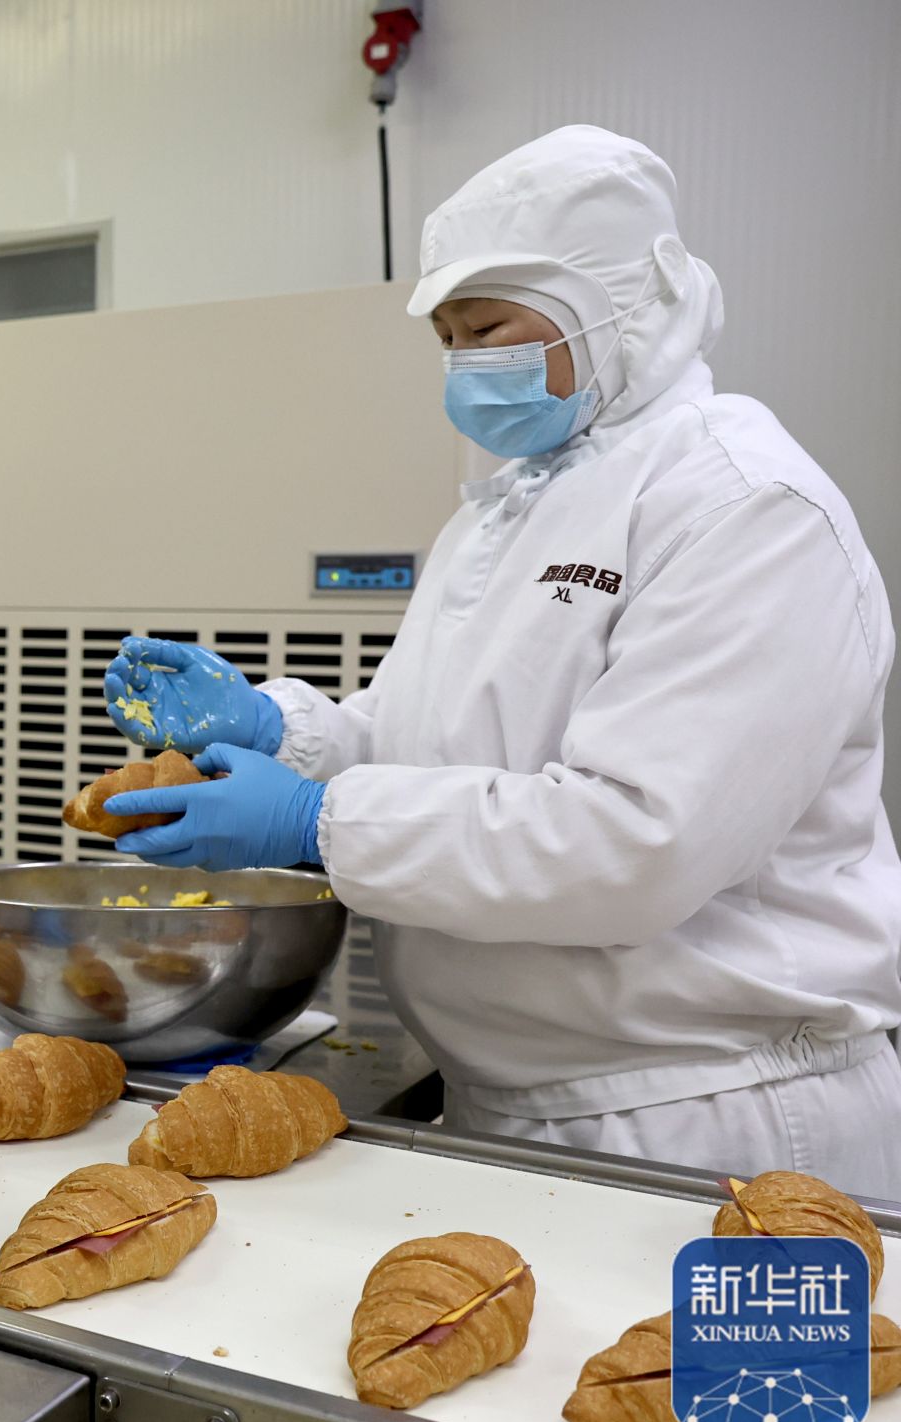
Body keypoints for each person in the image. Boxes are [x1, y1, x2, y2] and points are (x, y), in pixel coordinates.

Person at [99, 126, 901, 1197]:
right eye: (446, 336)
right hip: (512, 1103)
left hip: (712, 1118)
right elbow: (428, 745)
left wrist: (314, 821)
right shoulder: (508, 507)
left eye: (487, 328)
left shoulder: (744, 506)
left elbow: (634, 843)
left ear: (620, 304)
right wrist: (278, 732)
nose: (465, 363)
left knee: (710, 1335)